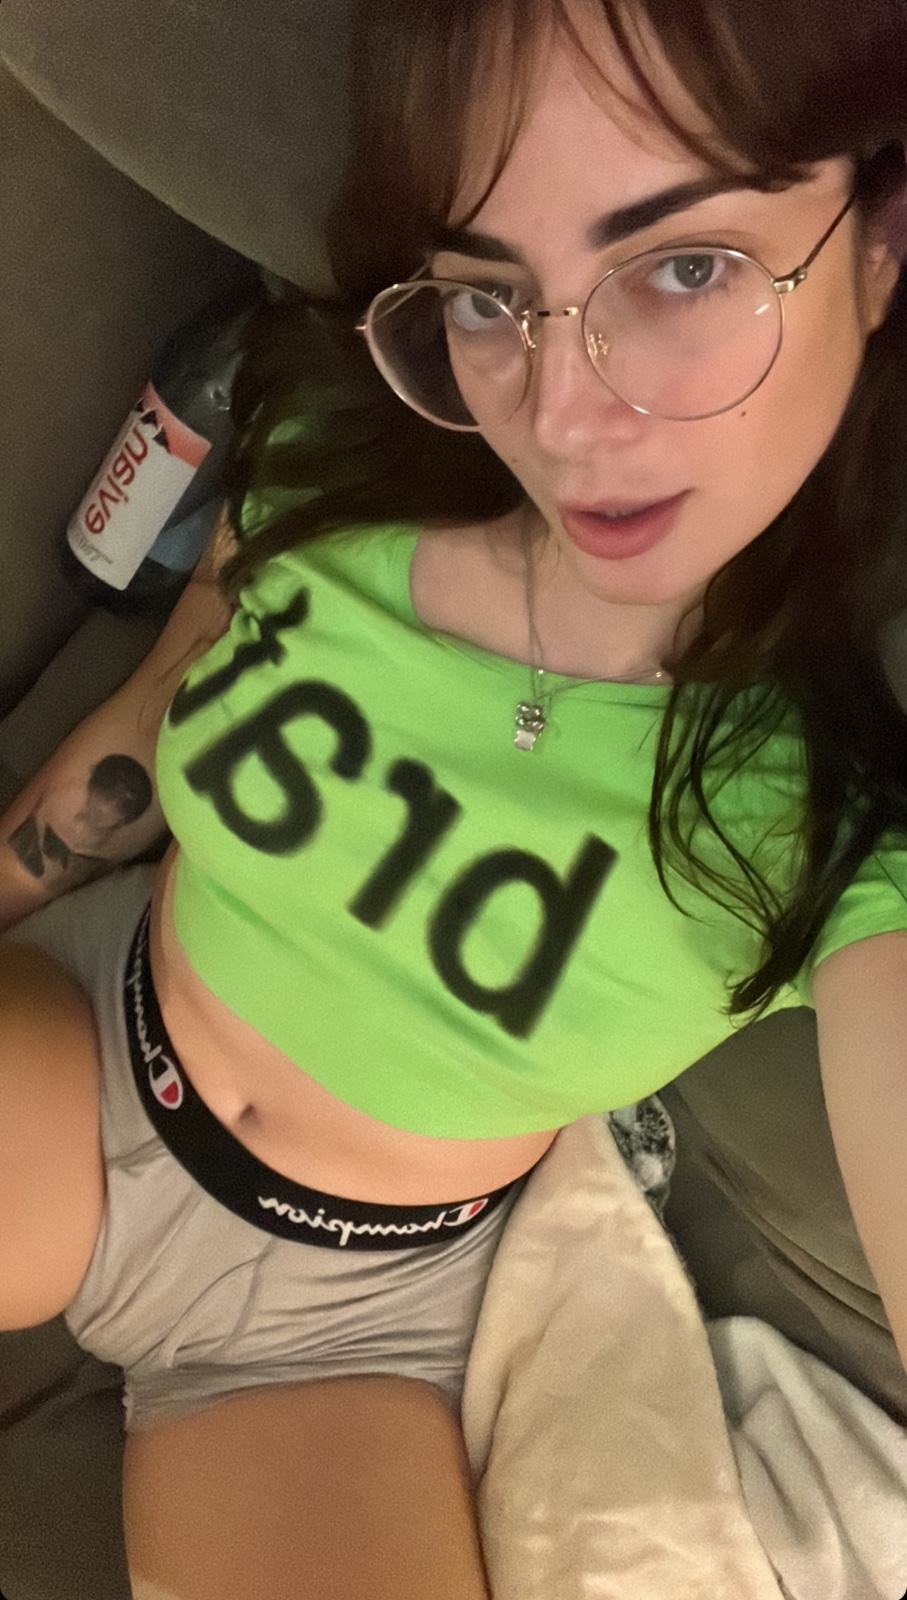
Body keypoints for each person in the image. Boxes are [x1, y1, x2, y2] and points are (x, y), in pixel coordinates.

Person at [1, 0, 906, 1594]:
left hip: (338, 1330)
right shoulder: (332, 455)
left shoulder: (824, 810)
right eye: (492, 296)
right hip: (85, 1052)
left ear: (881, 242)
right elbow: (137, 742)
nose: (559, 415)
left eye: (683, 267)